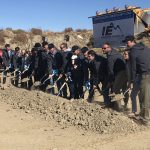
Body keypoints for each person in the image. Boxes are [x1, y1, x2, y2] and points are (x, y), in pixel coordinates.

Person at [123, 35, 150, 125]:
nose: (126, 44)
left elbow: (133, 68)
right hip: (144, 73)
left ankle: (145, 120)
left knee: (144, 98)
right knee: (143, 96)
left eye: (127, 42)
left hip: (145, 75)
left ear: (132, 41)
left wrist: (132, 81)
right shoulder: (144, 47)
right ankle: (141, 115)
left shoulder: (133, 51)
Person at [102, 42, 128, 111]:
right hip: (125, 74)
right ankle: (126, 105)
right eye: (102, 48)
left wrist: (111, 80)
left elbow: (111, 70)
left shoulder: (110, 57)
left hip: (118, 74)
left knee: (115, 90)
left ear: (109, 48)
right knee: (124, 89)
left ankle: (118, 107)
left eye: (104, 48)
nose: (103, 49)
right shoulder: (117, 53)